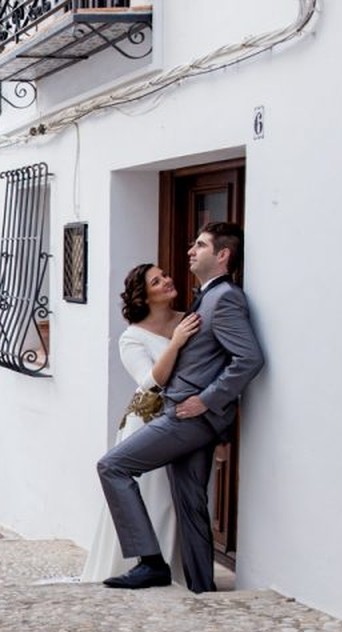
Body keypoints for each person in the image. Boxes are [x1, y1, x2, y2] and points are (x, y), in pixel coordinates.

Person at [98, 222, 265, 593]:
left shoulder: (225, 298)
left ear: (223, 255)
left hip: (188, 417)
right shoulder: (206, 296)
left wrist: (206, 401)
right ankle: (202, 589)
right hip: (192, 417)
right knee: (190, 504)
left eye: (201, 245)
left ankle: (151, 562)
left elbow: (249, 358)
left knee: (112, 466)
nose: (190, 251)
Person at [81, 263, 200, 584]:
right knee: (152, 494)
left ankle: (178, 573)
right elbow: (150, 382)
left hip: (187, 419)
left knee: (176, 502)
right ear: (143, 295)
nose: (167, 281)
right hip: (147, 422)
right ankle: (145, 562)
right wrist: (174, 344)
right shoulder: (132, 338)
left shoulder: (189, 318)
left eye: (165, 275)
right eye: (156, 281)